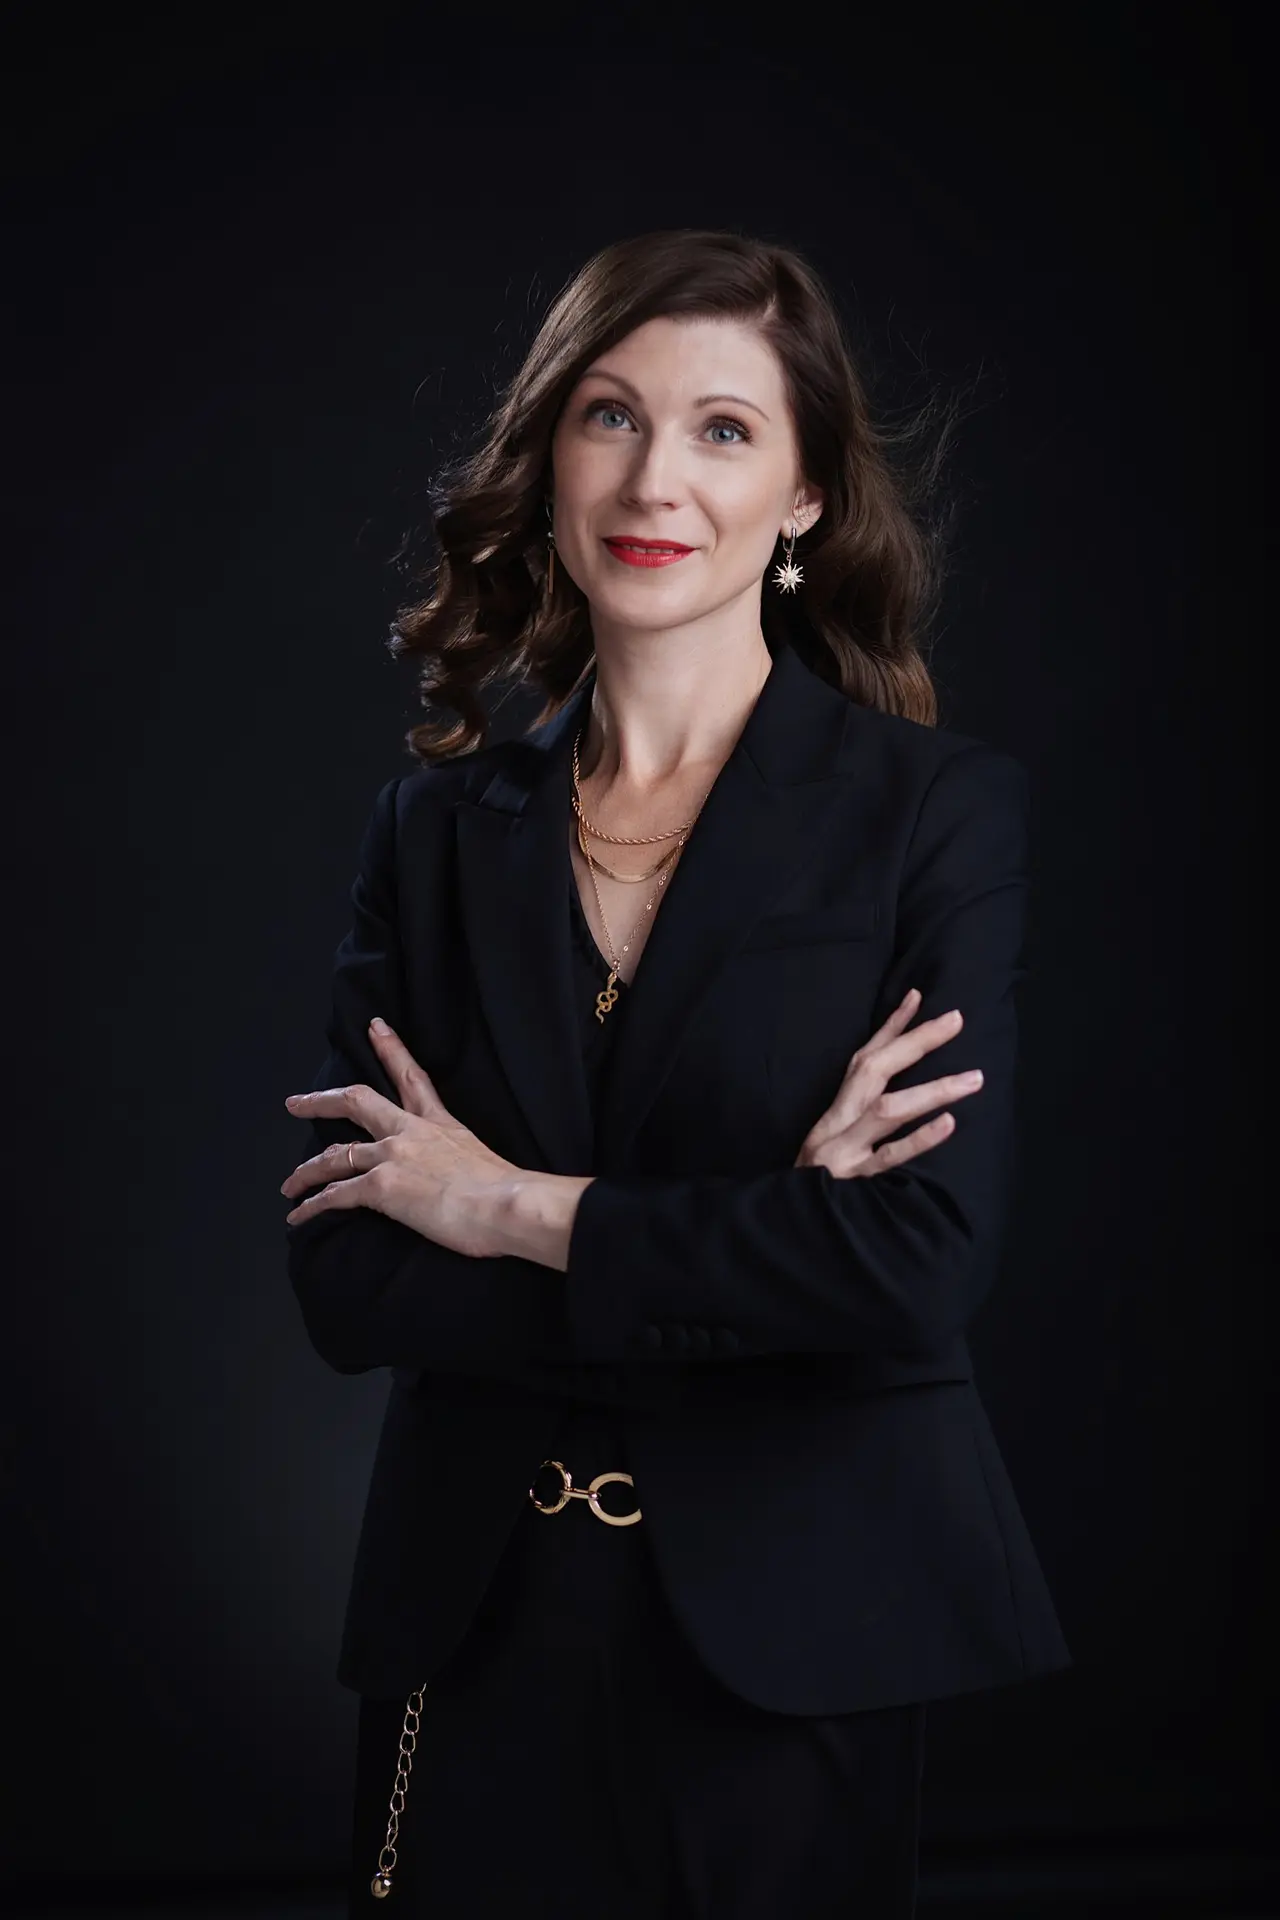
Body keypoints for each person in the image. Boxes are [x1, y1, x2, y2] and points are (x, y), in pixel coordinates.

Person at [281, 228, 1072, 1918]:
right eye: (610, 416)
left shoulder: (932, 815)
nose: (656, 479)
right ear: (551, 459)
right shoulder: (434, 834)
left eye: (724, 429)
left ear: (805, 497)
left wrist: (505, 1209)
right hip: (473, 1624)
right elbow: (349, 1279)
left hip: (801, 1633)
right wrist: (764, 1234)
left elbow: (914, 1261)